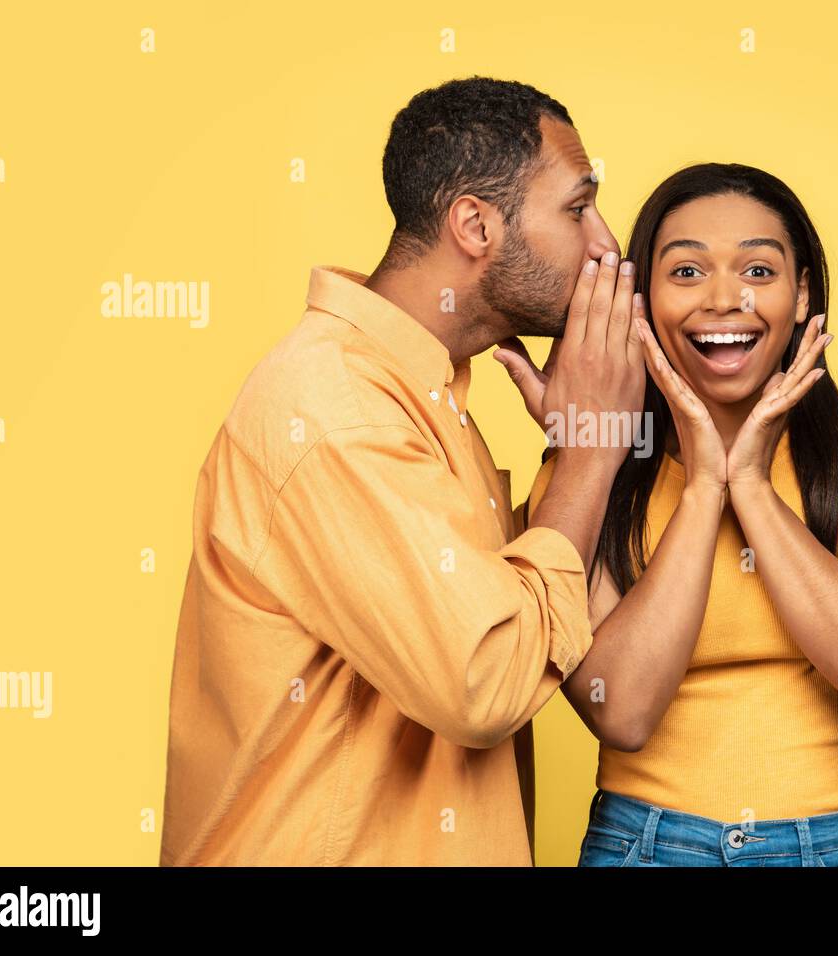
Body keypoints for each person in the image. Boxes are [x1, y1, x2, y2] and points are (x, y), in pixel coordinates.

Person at [158, 77, 643, 866]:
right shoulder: (337, 408)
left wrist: (571, 448)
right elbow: (484, 679)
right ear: (475, 225)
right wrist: (595, 446)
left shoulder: (423, 395)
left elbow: (505, 611)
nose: (605, 244)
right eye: (577, 208)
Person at [519, 163, 838, 867]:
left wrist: (750, 484)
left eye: (758, 271)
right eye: (687, 272)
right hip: (644, 846)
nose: (725, 299)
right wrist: (703, 488)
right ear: (641, 303)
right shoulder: (588, 468)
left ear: (802, 295)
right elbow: (620, 711)